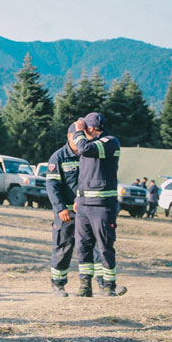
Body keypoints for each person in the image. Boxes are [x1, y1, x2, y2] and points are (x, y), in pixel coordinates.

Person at [45, 123, 106, 297]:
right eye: (76, 136)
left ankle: (102, 284)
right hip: (67, 213)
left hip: (89, 212)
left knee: (95, 247)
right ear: (68, 136)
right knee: (63, 247)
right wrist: (60, 208)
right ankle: (58, 284)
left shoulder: (89, 154)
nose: (80, 139)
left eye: (83, 136)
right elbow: (52, 186)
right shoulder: (58, 157)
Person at [72, 113, 125, 297]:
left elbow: (84, 149)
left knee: (104, 247)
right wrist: (78, 198)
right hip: (84, 204)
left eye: (85, 128)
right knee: (83, 246)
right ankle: (85, 285)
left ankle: (109, 286)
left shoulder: (110, 142)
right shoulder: (91, 144)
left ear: (91, 128)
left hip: (102, 206)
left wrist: (78, 132)